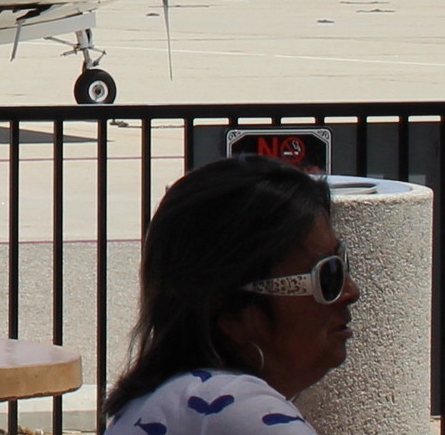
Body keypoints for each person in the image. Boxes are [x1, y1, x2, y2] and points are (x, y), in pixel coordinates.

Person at [103, 155, 359, 433]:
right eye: (327, 275)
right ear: (233, 311)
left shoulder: (156, 403)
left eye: (342, 263)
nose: (351, 291)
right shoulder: (239, 409)